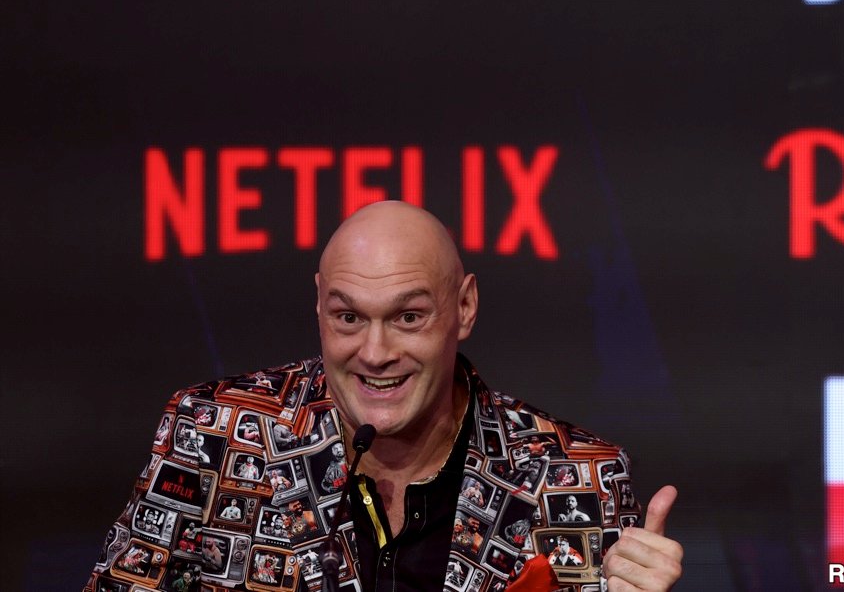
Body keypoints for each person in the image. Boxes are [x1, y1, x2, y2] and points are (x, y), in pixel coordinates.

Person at [85, 201, 684, 592]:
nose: (375, 353)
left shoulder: (575, 481)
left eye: (408, 317)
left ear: (465, 307)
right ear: (319, 304)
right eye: (348, 317)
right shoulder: (211, 435)